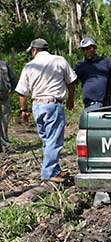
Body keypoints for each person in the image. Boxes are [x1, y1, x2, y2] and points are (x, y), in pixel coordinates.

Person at [15, 38, 77, 183]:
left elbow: (22, 92)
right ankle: (48, 174)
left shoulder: (29, 66)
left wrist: (23, 110)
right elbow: (71, 82)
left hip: (37, 106)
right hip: (53, 105)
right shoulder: (59, 60)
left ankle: (54, 170)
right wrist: (70, 98)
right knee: (53, 140)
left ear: (35, 50)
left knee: (46, 140)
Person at [74, 38, 111, 111]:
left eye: (88, 48)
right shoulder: (80, 65)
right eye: (83, 49)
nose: (86, 51)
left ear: (94, 48)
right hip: (91, 104)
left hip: (108, 104)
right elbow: (72, 81)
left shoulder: (106, 62)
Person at [0, 60, 18, 152]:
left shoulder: (4, 65)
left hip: (4, 97)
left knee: (4, 121)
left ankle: (5, 145)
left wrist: (13, 89)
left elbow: (14, 78)